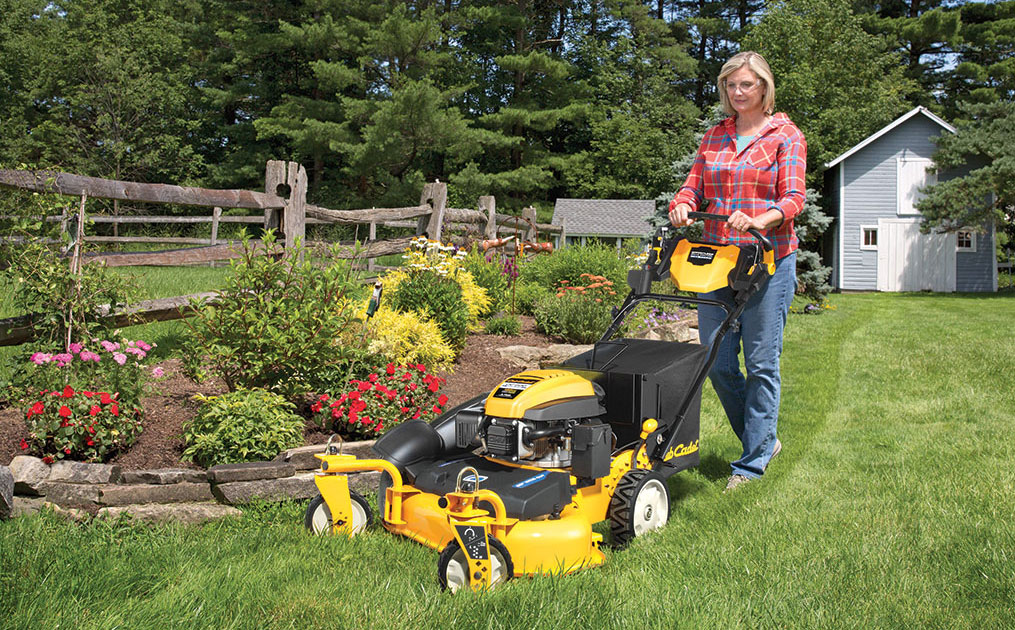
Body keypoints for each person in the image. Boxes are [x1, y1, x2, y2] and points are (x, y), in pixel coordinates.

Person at [668, 51, 806, 492]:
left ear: (764, 87)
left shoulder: (786, 135)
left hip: (768, 260)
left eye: (746, 84)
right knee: (717, 360)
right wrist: (684, 203)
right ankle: (764, 439)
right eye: (731, 85)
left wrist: (760, 218)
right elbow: (694, 183)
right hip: (720, 262)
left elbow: (793, 198)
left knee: (763, 363)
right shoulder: (715, 136)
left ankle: (751, 462)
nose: (737, 92)